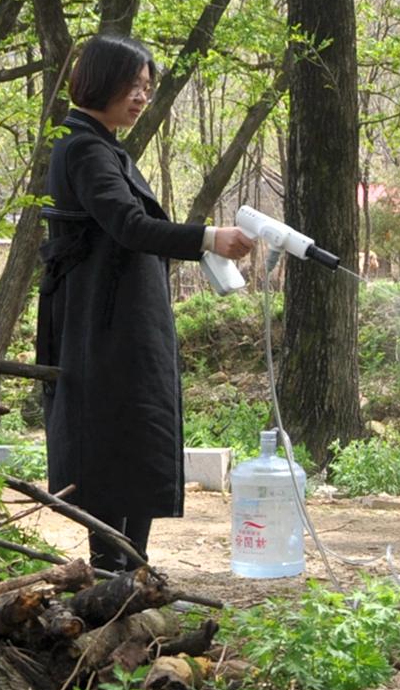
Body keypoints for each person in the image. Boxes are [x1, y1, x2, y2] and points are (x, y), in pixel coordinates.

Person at [37, 35, 253, 568]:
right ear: (100, 80)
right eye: (132, 85)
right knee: (111, 445)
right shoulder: (84, 147)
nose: (140, 97)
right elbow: (129, 225)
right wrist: (207, 238)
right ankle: (115, 576)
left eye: (146, 88)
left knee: (136, 440)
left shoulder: (102, 144)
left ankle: (133, 576)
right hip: (102, 326)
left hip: (122, 323)